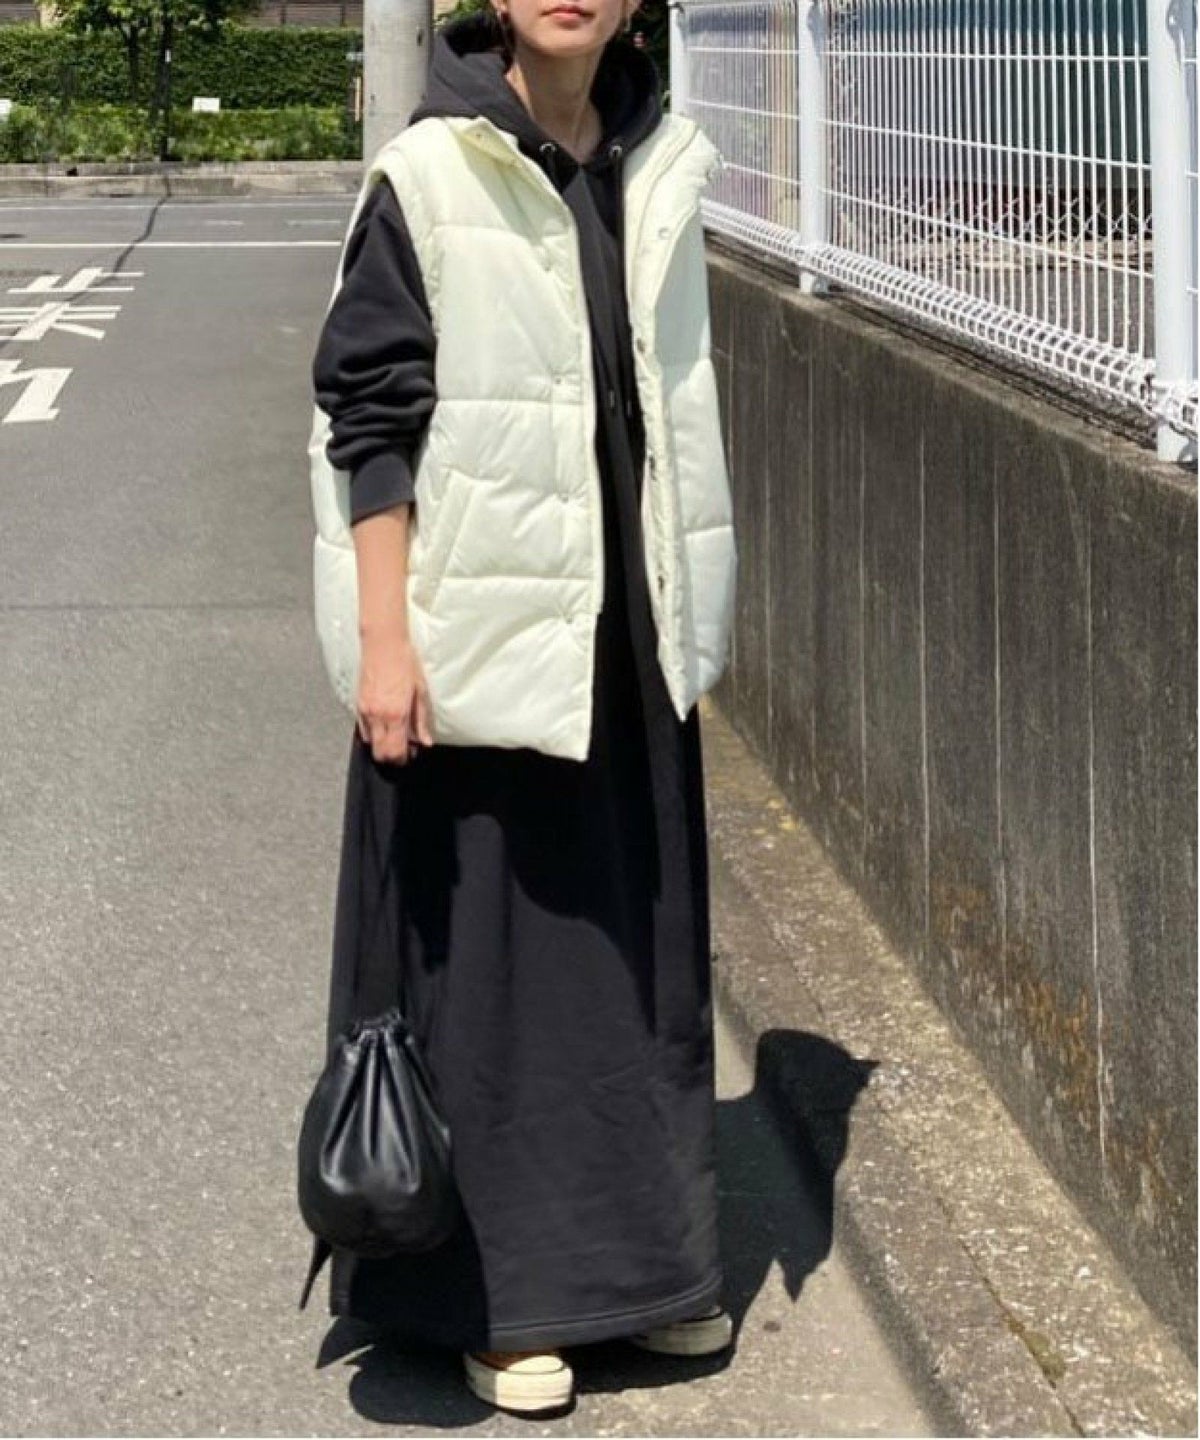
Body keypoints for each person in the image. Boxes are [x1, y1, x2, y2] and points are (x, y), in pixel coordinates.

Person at [307, 0, 737, 1415]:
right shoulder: (428, 172)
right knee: (497, 978)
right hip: (478, 637)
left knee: (633, 961)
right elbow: (368, 413)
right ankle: (498, 1305)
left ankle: (650, 1274)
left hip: (624, 635)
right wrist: (385, 643)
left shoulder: (658, 160)